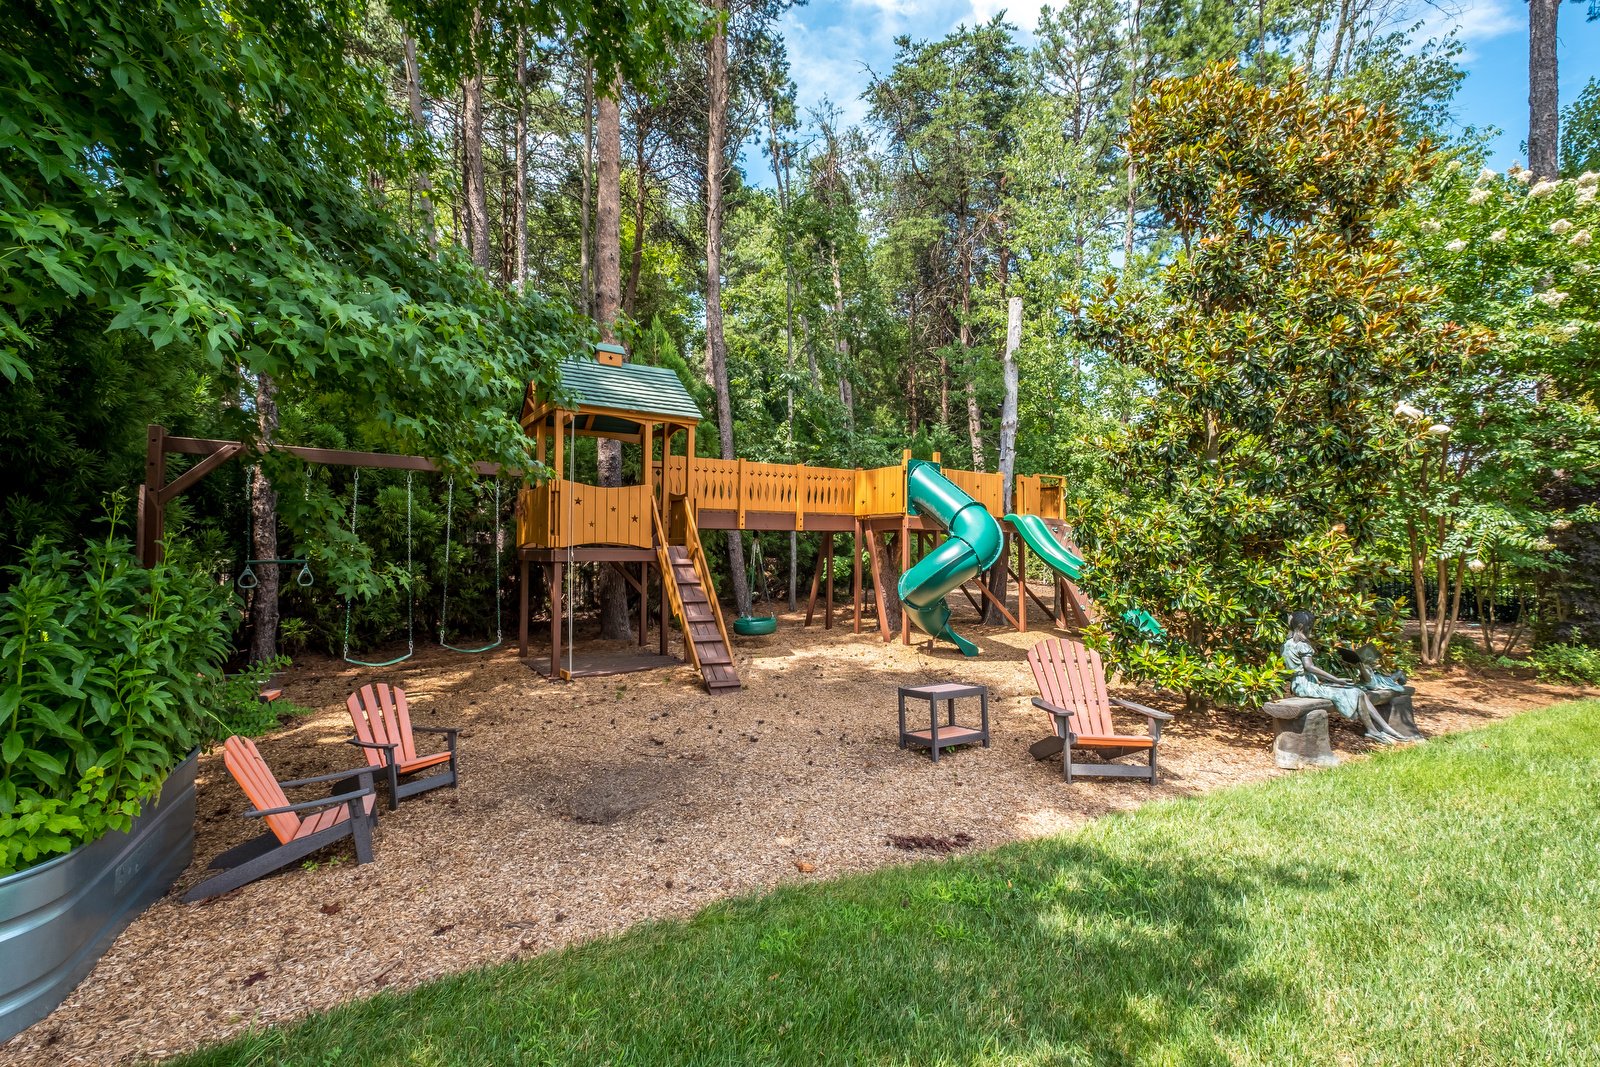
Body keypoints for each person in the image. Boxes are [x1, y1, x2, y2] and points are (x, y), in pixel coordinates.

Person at [1282, 612, 1411, 744]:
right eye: (1310, 626)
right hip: (1307, 686)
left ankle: (1382, 728)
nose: (1311, 629)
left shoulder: (1287, 643)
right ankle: (1374, 730)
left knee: (1358, 692)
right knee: (1355, 691)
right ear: (1303, 626)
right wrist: (1335, 680)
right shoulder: (1302, 645)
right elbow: (1309, 667)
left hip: (1301, 684)